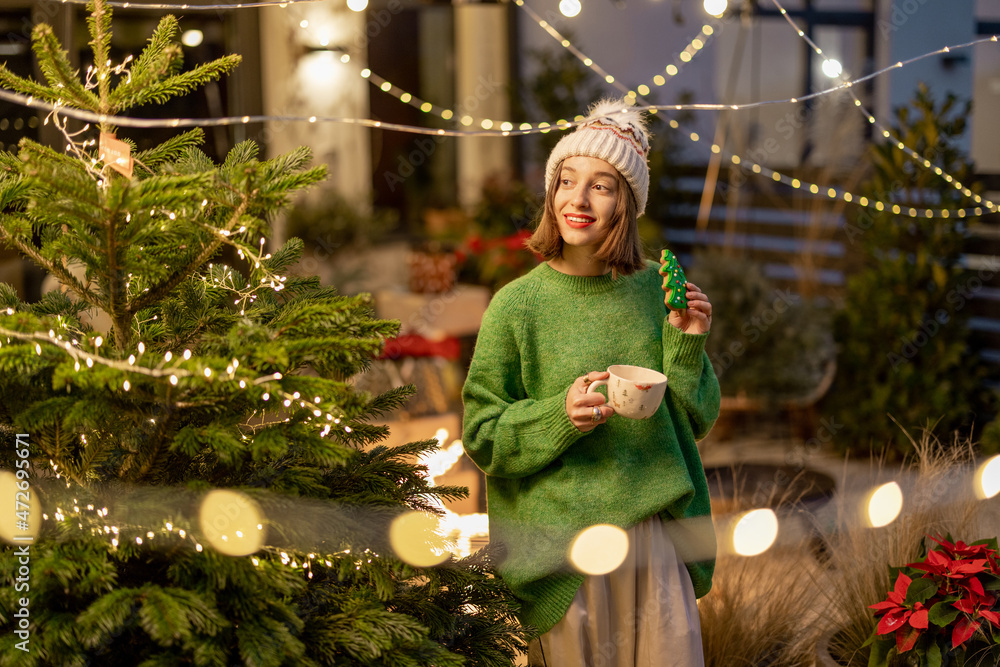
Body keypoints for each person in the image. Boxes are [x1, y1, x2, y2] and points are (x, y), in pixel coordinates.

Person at [461, 99, 720, 667]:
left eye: (602, 186)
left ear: (625, 204)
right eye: (567, 181)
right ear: (551, 193)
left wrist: (688, 340)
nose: (578, 200)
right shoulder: (516, 307)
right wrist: (560, 417)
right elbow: (482, 434)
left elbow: (695, 418)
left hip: (653, 539)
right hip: (563, 549)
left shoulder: (658, 293)